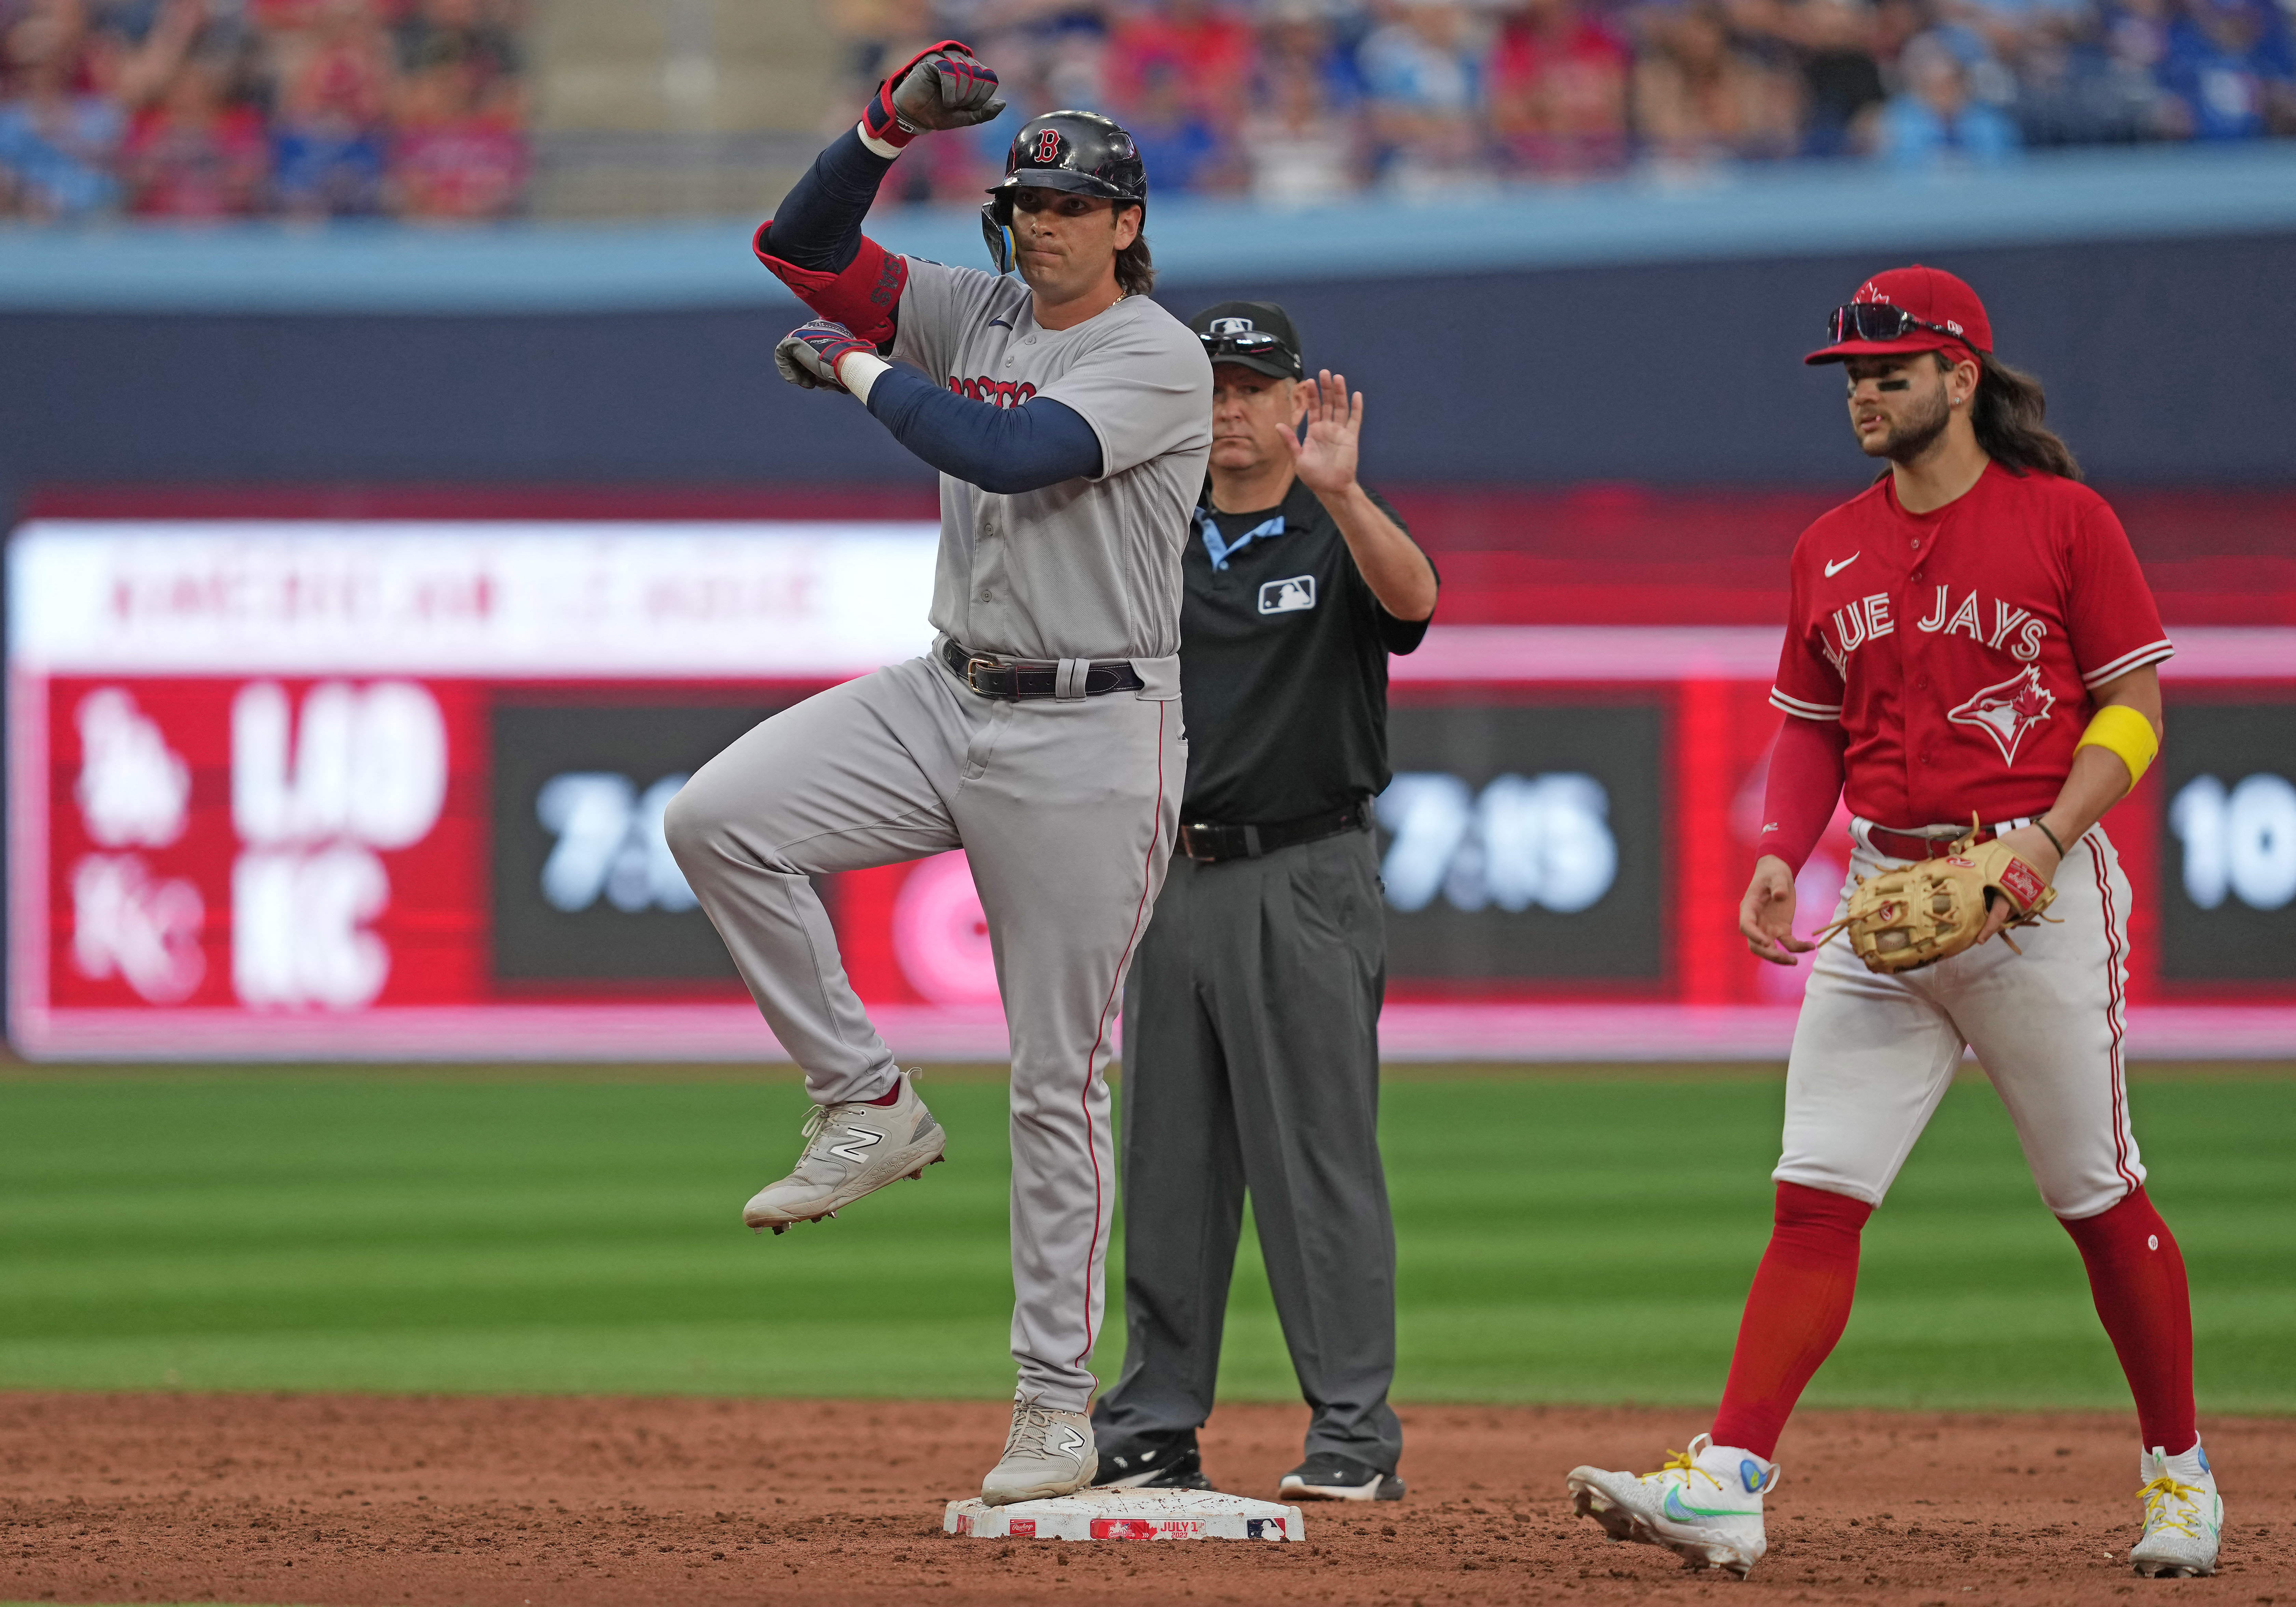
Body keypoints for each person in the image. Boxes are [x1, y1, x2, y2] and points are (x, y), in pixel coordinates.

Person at [1563, 265, 2221, 1580]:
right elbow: (1810, 732)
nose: (1865, 393)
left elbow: (2134, 710)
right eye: (1854, 376)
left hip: (2035, 895)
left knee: (2093, 1195)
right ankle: (1732, 1476)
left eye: (1892, 371)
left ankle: (2180, 1477)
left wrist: (2041, 843)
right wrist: (1772, 856)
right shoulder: (1828, 544)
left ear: (1960, 377)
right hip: (1883, 896)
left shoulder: (2063, 521)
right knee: (1814, 1195)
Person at [661, 46, 1210, 1508]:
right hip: (947, 683)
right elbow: (799, 250)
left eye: (1075, 205)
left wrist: (854, 370)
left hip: (1095, 729)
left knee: (1054, 1082)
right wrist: (881, 127)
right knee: (717, 818)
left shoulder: (1154, 352)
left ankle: (1050, 1405)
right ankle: (865, 1096)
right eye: (1029, 197)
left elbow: (1008, 448)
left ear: (1126, 225)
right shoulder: (979, 304)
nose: (1044, 222)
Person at [1090, 303, 1438, 1503]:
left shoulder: (1333, 524)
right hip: (1169, 874)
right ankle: (1151, 1420)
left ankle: (1351, 1432)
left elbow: (1415, 608)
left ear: (1298, 400)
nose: (1228, 407)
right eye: (1213, 385)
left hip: (1303, 870)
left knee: (1316, 1159)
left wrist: (1341, 493)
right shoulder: (1149, 529)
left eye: (1250, 385)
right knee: (1168, 1163)